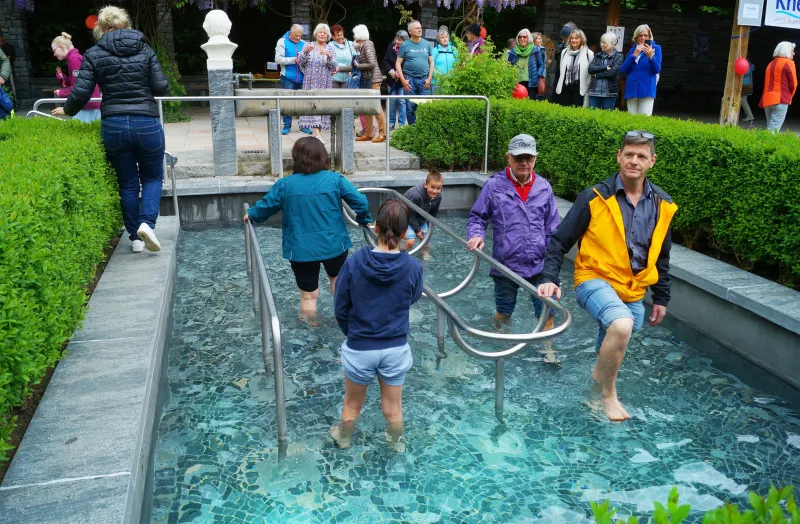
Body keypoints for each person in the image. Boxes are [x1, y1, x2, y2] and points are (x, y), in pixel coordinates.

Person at [538, 130, 678, 421]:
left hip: (634, 290)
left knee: (614, 340)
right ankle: (608, 395)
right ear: (619, 156)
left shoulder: (663, 204)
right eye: (629, 154)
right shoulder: (594, 197)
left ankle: (592, 393)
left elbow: (661, 256)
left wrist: (661, 297)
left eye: (641, 156)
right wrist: (549, 277)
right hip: (593, 278)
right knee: (622, 324)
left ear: (652, 161)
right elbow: (559, 241)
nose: (634, 161)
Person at [53, 6, 169, 254]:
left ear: (100, 28)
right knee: (151, 178)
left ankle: (135, 239)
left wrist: (69, 110)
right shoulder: (145, 49)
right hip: (146, 122)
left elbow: (81, 91)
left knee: (127, 183)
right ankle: (147, 224)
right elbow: (161, 87)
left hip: (114, 124)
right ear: (126, 23)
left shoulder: (94, 53)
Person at [330, 199, 424, 452]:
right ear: (405, 234)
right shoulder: (413, 267)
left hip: (360, 346)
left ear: (375, 228)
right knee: (393, 409)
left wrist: (353, 334)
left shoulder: (353, 263)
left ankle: (344, 438)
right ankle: (395, 444)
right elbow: (412, 297)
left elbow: (341, 306)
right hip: (395, 346)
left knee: (352, 406)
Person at [245, 137, 372, 318]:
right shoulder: (335, 179)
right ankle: (345, 323)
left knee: (308, 295)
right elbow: (361, 202)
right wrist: (362, 219)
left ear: (297, 158)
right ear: (323, 157)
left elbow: (265, 207)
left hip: (301, 249)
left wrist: (251, 214)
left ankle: (310, 333)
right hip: (335, 245)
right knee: (338, 283)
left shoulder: (285, 185)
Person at [466, 134, 560, 364]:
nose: (523, 163)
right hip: (505, 265)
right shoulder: (494, 185)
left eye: (528, 157)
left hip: (539, 266)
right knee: (504, 312)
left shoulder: (544, 188)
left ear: (536, 158)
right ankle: (503, 344)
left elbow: (553, 229)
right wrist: (476, 235)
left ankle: (547, 351)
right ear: (508, 158)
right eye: (518, 157)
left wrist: (553, 266)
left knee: (547, 312)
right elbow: (477, 217)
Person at [297, 24, 337, 144]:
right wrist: (305, 51)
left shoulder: (330, 48)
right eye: (320, 32)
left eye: (325, 33)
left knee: (322, 108)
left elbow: (335, 66)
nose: (322, 34)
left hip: (325, 81)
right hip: (310, 81)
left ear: (328, 35)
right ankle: (317, 134)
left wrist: (329, 56)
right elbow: (300, 61)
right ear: (316, 33)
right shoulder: (308, 45)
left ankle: (317, 135)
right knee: (312, 106)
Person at [51, 32, 102, 123]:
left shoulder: (73, 59)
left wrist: (62, 92)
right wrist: (62, 77)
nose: (54, 54)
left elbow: (79, 86)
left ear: (62, 47)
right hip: (89, 101)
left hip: (86, 104)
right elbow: (79, 81)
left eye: (54, 50)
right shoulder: (75, 57)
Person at [396, 20, 434, 125]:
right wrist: (403, 80)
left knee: (425, 108)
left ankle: (424, 132)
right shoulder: (405, 45)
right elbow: (398, 63)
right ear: (410, 31)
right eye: (417, 28)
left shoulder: (426, 44)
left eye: (420, 27)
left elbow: (431, 62)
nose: (420, 29)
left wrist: (429, 79)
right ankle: (413, 132)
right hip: (410, 80)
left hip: (424, 80)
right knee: (410, 108)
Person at [353, 24, 386, 143]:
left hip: (373, 80)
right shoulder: (362, 46)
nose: (353, 36)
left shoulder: (368, 44)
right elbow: (356, 66)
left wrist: (359, 65)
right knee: (367, 107)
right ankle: (369, 132)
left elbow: (372, 64)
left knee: (376, 107)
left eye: (354, 34)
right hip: (367, 79)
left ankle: (383, 133)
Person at [620, 24, 662, 116]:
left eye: (646, 35)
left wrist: (651, 56)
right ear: (636, 37)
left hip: (646, 89)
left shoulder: (656, 48)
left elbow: (657, 69)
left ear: (649, 36)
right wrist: (634, 55)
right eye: (640, 35)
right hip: (632, 89)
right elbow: (623, 70)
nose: (643, 38)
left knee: (644, 120)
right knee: (632, 120)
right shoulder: (632, 50)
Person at [276, 24, 310, 135]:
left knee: (303, 102)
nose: (299, 38)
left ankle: (304, 125)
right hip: (287, 76)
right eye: (296, 35)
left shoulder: (304, 44)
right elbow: (278, 59)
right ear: (290, 33)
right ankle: (287, 126)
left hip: (302, 76)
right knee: (287, 102)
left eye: (300, 35)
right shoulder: (282, 41)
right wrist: (294, 60)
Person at [403, 171, 443, 255]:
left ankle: (425, 256)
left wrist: (429, 227)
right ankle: (398, 255)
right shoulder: (415, 195)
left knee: (425, 240)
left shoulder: (438, 196)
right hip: (406, 218)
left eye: (438, 188)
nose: (435, 191)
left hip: (421, 218)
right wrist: (417, 230)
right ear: (425, 185)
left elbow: (433, 212)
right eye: (432, 187)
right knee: (410, 242)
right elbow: (410, 214)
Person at [760, 41, 797, 133]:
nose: (794, 53)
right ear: (787, 51)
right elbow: (794, 84)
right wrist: (789, 97)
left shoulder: (770, 64)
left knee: (770, 128)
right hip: (780, 99)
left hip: (767, 100)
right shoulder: (789, 63)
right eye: (792, 50)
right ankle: (766, 147)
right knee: (773, 131)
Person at [556, 29, 594, 108]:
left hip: (580, 88)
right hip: (565, 86)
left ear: (581, 39)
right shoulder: (564, 52)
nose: (573, 40)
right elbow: (561, 70)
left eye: (576, 38)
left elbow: (591, 72)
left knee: (577, 113)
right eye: (572, 38)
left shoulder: (589, 53)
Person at [587, 32, 624, 110]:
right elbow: (590, 69)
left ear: (612, 44)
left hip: (610, 93)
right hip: (594, 91)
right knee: (591, 116)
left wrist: (596, 75)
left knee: (607, 117)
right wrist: (605, 67)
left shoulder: (619, 57)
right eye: (601, 42)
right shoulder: (597, 55)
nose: (601, 45)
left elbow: (612, 73)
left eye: (604, 43)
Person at [383, 30, 409, 131]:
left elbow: (408, 63)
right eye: (396, 39)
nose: (397, 41)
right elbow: (385, 61)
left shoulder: (407, 49)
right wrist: (391, 71)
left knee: (402, 101)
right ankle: (391, 122)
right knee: (392, 101)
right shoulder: (390, 47)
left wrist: (400, 73)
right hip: (392, 79)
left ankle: (402, 124)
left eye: (400, 40)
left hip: (403, 79)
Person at [552, 22, 577, 102]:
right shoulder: (562, 46)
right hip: (559, 75)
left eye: (566, 37)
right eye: (563, 37)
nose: (564, 39)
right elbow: (557, 58)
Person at [330, 24, 356, 89]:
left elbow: (355, 59)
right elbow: (332, 62)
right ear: (333, 37)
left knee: (346, 98)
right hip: (334, 79)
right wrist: (347, 67)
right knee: (335, 98)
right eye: (338, 35)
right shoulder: (330, 45)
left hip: (348, 78)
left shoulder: (350, 44)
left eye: (341, 34)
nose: (340, 37)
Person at [512, 29, 534, 95]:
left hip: (530, 80)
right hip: (516, 80)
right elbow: (509, 65)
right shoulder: (514, 51)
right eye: (520, 37)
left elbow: (541, 65)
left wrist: (537, 75)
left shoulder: (535, 49)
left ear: (528, 38)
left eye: (524, 37)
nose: (522, 39)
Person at [528, 32, 547, 100]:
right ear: (533, 40)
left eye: (541, 38)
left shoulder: (542, 50)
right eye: (539, 39)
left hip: (538, 78)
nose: (541, 40)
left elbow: (542, 65)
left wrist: (539, 75)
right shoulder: (529, 50)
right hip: (530, 79)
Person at [740, 56, 755, 126]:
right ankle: (749, 116)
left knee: (743, 100)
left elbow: (746, 73)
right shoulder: (749, 63)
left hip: (744, 85)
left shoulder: (746, 63)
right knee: (743, 100)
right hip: (746, 84)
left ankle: (750, 116)